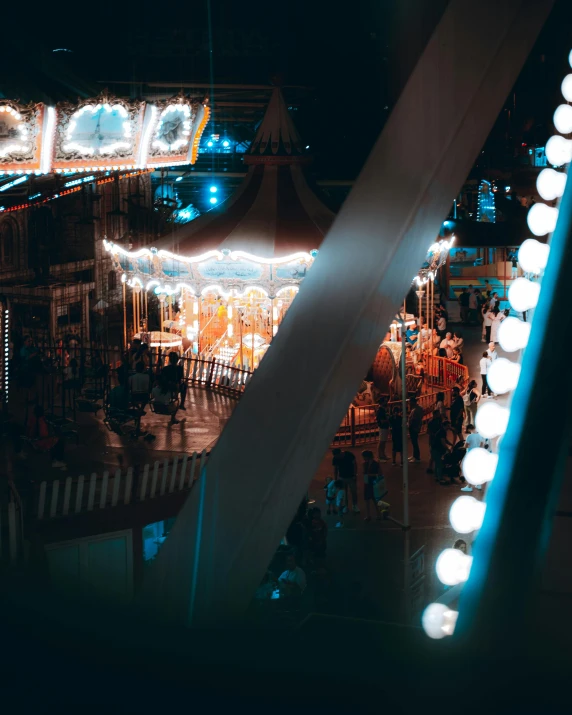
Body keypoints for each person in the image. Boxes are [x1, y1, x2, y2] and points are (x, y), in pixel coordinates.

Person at [26, 404, 66, 469]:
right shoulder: (41, 422)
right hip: (41, 442)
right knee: (60, 440)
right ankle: (57, 460)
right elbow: (43, 435)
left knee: (55, 438)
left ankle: (54, 459)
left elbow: (28, 430)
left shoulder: (32, 419)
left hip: (33, 440)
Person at [332, 448, 359, 513]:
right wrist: (335, 479)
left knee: (353, 491)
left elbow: (355, 464)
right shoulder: (336, 458)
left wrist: (355, 474)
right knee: (344, 493)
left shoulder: (349, 455)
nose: (337, 457)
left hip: (350, 476)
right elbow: (335, 468)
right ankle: (346, 506)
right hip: (342, 477)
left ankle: (354, 505)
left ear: (340, 453)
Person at [429, 413, 452, 483]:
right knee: (439, 464)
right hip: (437, 449)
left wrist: (451, 444)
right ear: (446, 425)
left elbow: (445, 440)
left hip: (434, 448)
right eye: (448, 426)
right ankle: (440, 478)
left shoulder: (441, 431)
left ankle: (436, 476)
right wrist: (448, 448)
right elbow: (443, 442)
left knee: (437, 463)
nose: (449, 427)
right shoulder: (442, 432)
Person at [361, 450, 383, 522]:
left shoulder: (375, 464)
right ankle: (369, 515)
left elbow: (380, 474)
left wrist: (369, 475)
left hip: (373, 483)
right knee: (368, 499)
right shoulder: (365, 464)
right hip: (368, 483)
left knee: (374, 500)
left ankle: (377, 514)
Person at [408, 397, 424, 463]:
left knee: (414, 442)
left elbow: (414, 419)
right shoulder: (419, 408)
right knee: (414, 442)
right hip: (416, 427)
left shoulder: (415, 410)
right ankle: (414, 455)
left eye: (410, 402)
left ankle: (416, 457)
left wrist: (410, 424)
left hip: (414, 428)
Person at [376, 397, 390, 462]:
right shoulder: (380, 410)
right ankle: (380, 456)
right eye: (385, 401)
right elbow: (382, 421)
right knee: (381, 442)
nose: (386, 402)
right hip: (382, 427)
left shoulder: (383, 409)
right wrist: (389, 419)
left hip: (385, 427)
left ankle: (383, 455)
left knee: (383, 442)